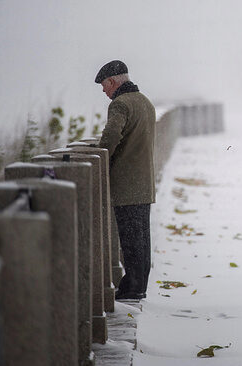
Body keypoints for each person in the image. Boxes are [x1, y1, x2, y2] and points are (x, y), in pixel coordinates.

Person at [95, 60, 156, 300]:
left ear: (112, 81)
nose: (103, 91)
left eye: (103, 85)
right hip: (144, 183)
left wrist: (101, 154)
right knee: (142, 239)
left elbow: (111, 135)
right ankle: (139, 285)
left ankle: (131, 289)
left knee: (130, 240)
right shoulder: (145, 102)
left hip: (127, 185)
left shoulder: (120, 105)